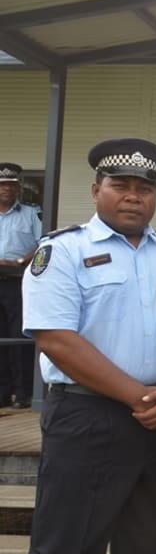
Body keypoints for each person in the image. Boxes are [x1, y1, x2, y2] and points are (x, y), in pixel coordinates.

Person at [21, 138, 156, 554]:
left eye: (144, 188)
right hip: (87, 419)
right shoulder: (62, 252)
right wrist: (138, 396)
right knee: (66, 550)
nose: (133, 195)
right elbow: (56, 339)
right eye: (120, 185)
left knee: (148, 551)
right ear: (95, 189)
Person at [0, 163, 41, 409]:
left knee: (18, 338)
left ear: (18, 188)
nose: (6, 188)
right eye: (2, 184)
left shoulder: (31, 213)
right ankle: (2, 392)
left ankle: (23, 392)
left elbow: (42, 243)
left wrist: (18, 260)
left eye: (11, 185)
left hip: (17, 281)